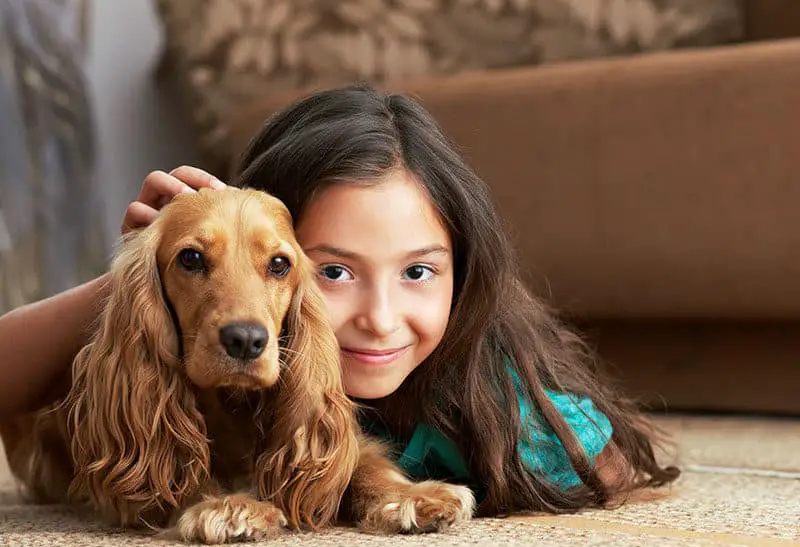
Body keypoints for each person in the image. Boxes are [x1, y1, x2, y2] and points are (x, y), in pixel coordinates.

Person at [0, 84, 678, 516]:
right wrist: (139, 272)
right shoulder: (197, 335)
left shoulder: (485, 392)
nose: (380, 318)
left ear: (461, 274)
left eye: (418, 272)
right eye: (333, 273)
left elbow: (601, 460)